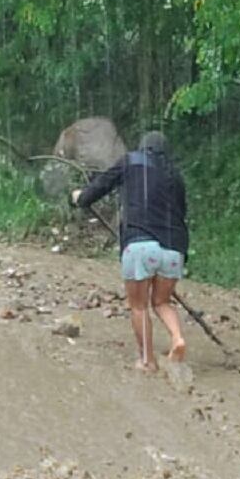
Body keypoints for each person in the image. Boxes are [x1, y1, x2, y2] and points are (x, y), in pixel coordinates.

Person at [71, 129, 189, 373]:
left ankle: (147, 360)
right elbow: (182, 213)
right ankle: (177, 337)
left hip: (140, 244)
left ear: (142, 147)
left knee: (139, 306)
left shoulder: (131, 161)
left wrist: (79, 197)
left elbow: (96, 190)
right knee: (162, 302)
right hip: (174, 248)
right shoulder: (174, 175)